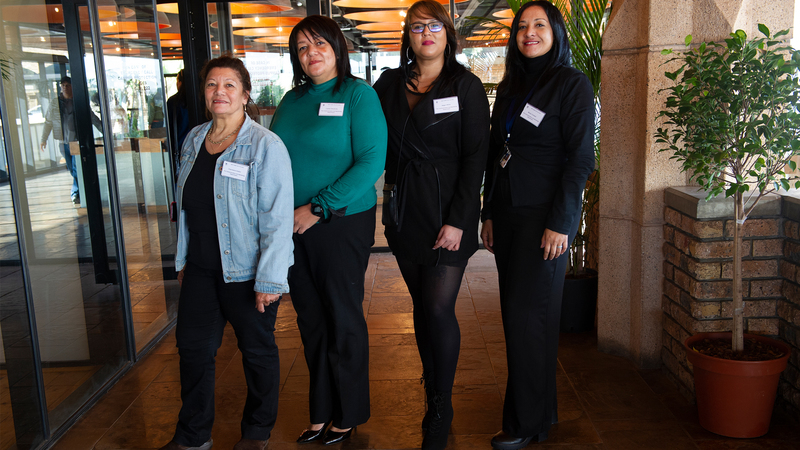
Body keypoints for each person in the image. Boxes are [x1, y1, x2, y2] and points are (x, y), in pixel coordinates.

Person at [160, 54, 294, 450]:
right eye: (212, 85)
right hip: (201, 268)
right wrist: (183, 259)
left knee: (256, 353)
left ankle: (256, 432)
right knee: (193, 353)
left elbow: (277, 217)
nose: (220, 92)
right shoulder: (194, 138)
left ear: (245, 94)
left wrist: (270, 280)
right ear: (203, 94)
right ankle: (193, 435)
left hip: (248, 273)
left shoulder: (265, 146)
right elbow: (186, 207)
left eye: (229, 85)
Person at [372, 1, 489, 448]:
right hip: (404, 211)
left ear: (447, 33)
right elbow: (370, 137)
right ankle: (431, 379)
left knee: (438, 307)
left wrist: (460, 220)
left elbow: (476, 159)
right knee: (422, 306)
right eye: (417, 27)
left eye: (434, 26)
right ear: (408, 35)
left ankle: (441, 401)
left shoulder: (466, 86)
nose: (426, 34)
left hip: (447, 211)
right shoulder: (387, 83)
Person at [480, 2, 595, 449]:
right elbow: (496, 155)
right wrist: (488, 212)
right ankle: (540, 415)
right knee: (519, 320)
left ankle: (524, 423)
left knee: (531, 320)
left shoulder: (571, 85)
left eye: (540, 25)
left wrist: (563, 222)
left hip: (546, 221)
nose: (529, 33)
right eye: (522, 26)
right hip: (508, 217)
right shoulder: (510, 88)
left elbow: (580, 158)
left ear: (556, 32)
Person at [269, 15, 387, 446]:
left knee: (343, 317)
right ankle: (321, 410)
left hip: (340, 222)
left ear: (338, 48)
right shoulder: (289, 100)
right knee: (311, 320)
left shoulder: (358, 96)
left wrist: (318, 206)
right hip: (293, 226)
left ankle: (348, 412)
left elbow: (371, 162)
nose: (311, 53)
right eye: (302, 47)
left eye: (319, 43)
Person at [40, 76, 101, 205]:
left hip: (77, 142)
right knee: (72, 169)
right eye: (63, 85)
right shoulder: (55, 104)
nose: (65, 88)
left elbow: (93, 118)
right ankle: (80, 192)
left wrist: (106, 132)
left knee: (76, 167)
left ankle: (76, 193)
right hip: (63, 143)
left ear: (72, 87)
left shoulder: (79, 102)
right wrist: (43, 139)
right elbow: (48, 122)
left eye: (67, 85)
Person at [167, 69, 190, 178]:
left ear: (180, 82)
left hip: (179, 147)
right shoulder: (200, 100)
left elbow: (169, 126)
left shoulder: (173, 101)